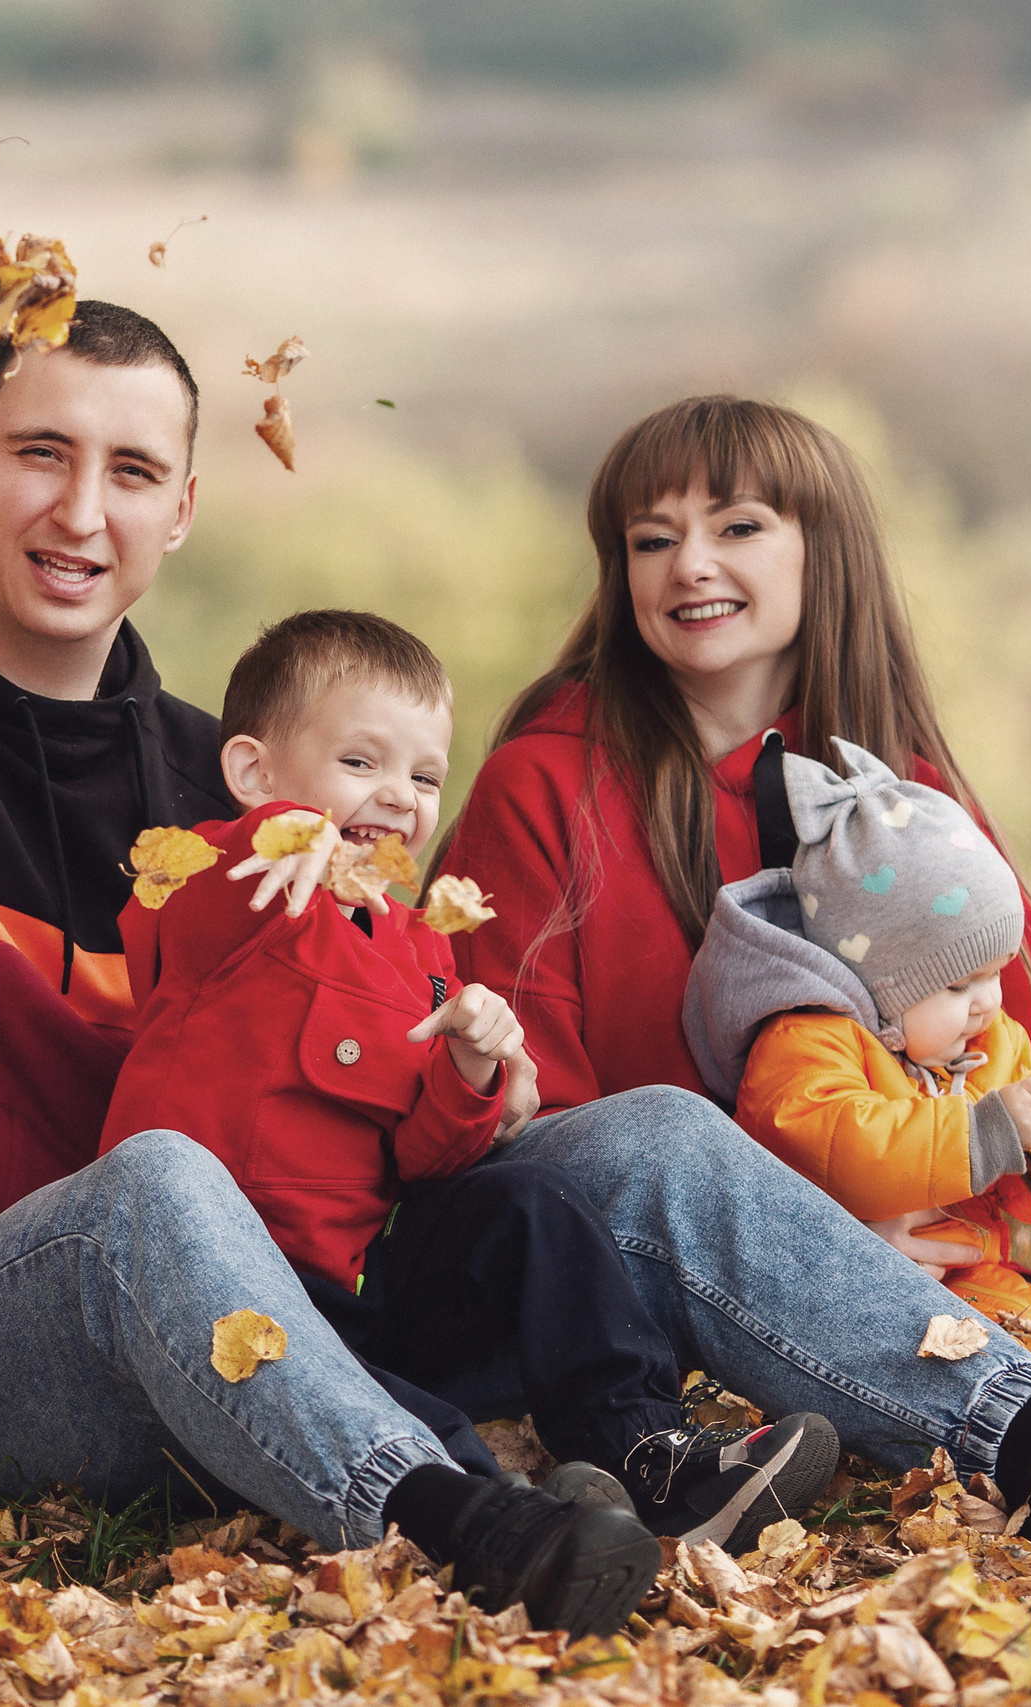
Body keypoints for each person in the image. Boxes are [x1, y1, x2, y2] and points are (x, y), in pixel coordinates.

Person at [0, 308, 1031, 1612]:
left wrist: (471, 1076)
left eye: (130, 470)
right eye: (38, 454)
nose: (80, 506)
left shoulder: (247, 792)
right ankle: (456, 1525)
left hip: (269, 1313)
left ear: (182, 510)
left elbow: (379, 1114)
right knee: (158, 1183)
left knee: (640, 1139)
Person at [435, 392, 1031, 1454]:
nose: (687, 566)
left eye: (737, 527)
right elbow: (547, 1147)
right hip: (623, 1291)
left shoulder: (896, 800)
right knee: (685, 1164)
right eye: (651, 540)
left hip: (902, 1279)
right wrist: (812, 1255)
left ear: (826, 553)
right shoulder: (543, 787)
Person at [102, 609, 839, 1557]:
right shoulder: (230, 889)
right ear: (254, 774)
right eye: (360, 763)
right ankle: (501, 1514)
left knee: (526, 1194)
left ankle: (644, 1449)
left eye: (423, 776)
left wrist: (469, 1065)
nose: (398, 797)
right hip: (236, 1298)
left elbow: (425, 1156)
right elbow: (179, 907)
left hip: (367, 1278)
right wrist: (280, 839)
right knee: (364, 1391)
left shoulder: (419, 950)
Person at [682, 735, 1031, 1405]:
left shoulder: (989, 1042)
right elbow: (843, 1146)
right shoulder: (805, 1044)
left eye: (995, 973)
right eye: (960, 983)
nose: (990, 1001)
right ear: (880, 983)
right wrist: (986, 1132)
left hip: (975, 1275)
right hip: (853, 1306)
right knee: (1005, 1363)